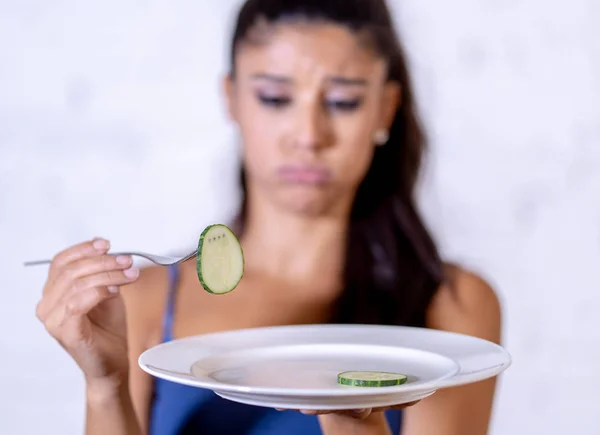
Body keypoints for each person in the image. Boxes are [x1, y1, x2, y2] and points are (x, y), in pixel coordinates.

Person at [35, 0, 502, 434]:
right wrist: (105, 385)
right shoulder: (144, 301)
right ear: (231, 97)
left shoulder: (454, 306)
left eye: (342, 101)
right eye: (275, 98)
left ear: (385, 108)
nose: (307, 135)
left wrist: (353, 417)